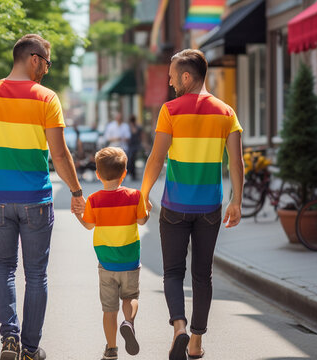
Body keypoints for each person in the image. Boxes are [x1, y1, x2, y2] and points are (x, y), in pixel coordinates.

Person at [0, 34, 84, 360]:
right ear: (34, 58)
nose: (46, 69)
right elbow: (59, 154)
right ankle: (29, 349)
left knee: (3, 266)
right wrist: (76, 191)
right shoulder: (46, 99)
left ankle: (9, 339)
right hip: (34, 201)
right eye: (46, 62)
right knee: (37, 274)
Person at [140, 49, 244, 360]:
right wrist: (237, 200)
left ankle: (179, 328)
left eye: (172, 76)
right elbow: (236, 163)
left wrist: (143, 195)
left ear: (187, 76)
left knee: (172, 272)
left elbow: (157, 158)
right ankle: (197, 342)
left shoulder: (170, 110)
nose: (170, 83)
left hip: (174, 207)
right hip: (209, 208)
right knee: (202, 274)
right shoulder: (226, 113)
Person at [74, 147, 149, 360]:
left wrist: (78, 214)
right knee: (131, 297)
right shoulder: (135, 196)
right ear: (124, 172)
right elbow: (142, 221)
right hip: (130, 260)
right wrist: (148, 209)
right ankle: (129, 322)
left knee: (109, 309)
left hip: (106, 263)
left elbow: (89, 226)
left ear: (98, 174)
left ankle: (112, 348)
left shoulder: (95, 200)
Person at [126, 116, 143, 181]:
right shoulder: (129, 127)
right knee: (130, 159)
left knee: (132, 158)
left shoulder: (136, 127)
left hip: (135, 145)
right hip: (131, 146)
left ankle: (133, 174)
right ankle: (131, 173)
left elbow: (136, 133)